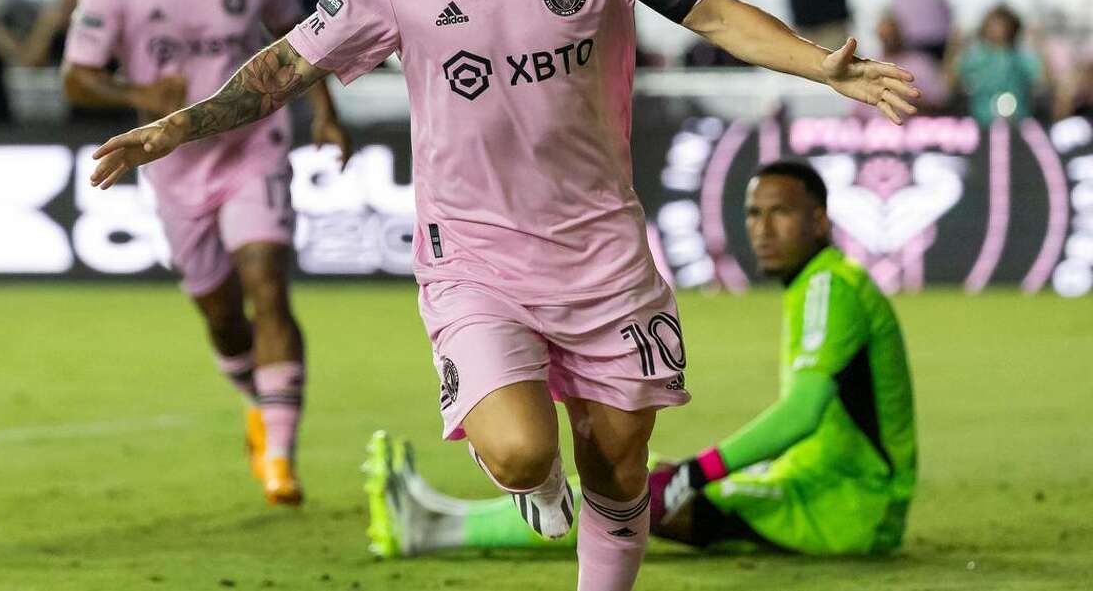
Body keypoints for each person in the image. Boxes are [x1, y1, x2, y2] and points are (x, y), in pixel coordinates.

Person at [86, 0, 919, 590]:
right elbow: (284, 66)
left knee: (620, 469)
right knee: (522, 453)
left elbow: (714, 14)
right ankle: (536, 484)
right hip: (474, 254)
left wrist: (824, 67)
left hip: (602, 252)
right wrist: (174, 128)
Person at [364, 161, 918, 559]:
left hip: (846, 504)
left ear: (819, 222)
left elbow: (802, 413)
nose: (763, 229)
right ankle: (434, 524)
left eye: (782, 214)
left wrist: (698, 473)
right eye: (754, 213)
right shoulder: (822, 283)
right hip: (831, 489)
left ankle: (433, 526)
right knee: (635, 482)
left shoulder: (831, 286)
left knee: (639, 486)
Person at [63, 0, 350, 505]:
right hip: (171, 168)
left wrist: (326, 116)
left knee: (266, 282)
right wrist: (137, 89)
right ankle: (259, 401)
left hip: (253, 148)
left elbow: (301, 43)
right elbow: (76, 75)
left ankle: (280, 456)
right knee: (222, 316)